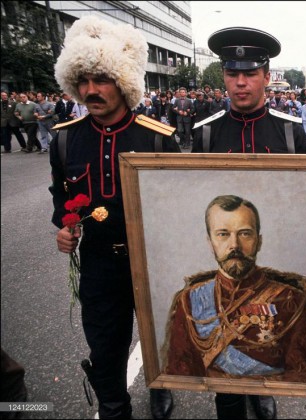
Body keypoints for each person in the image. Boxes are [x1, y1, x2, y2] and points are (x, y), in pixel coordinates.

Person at [49, 15, 180, 420]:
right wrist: (63, 230)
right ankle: (112, 405)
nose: (91, 90)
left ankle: (161, 386)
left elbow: (179, 207)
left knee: (160, 335)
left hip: (151, 260)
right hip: (99, 263)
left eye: (101, 79)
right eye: (83, 80)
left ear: (123, 81)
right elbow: (61, 198)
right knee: (105, 345)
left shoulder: (157, 137)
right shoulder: (66, 138)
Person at [189, 27, 306, 418]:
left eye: (251, 73)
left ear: (266, 75)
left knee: (265, 333)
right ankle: (228, 398)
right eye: (232, 73)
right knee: (224, 339)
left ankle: (261, 388)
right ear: (223, 76)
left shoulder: (291, 134)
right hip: (227, 257)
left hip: (270, 255)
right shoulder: (204, 133)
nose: (241, 83)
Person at [161, 194, 306, 388]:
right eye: (223, 234)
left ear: (259, 241)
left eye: (245, 233)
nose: (234, 245)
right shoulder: (189, 300)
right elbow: (181, 368)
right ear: (210, 243)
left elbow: (301, 374)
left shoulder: (293, 300)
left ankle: (261, 399)